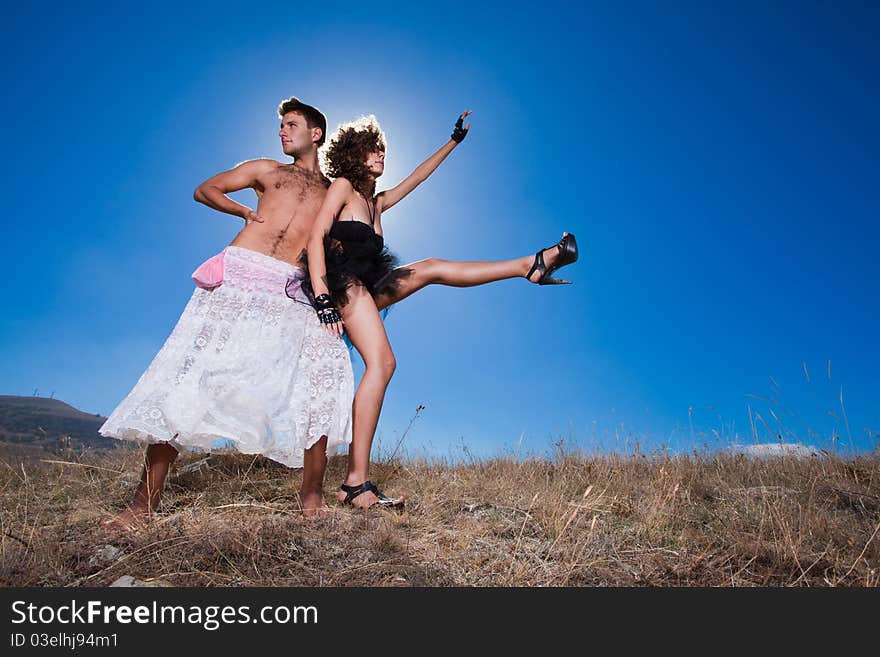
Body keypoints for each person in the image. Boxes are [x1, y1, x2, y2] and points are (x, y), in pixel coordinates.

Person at [301, 111, 578, 510]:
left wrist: (453, 142)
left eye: (383, 150)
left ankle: (530, 266)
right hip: (339, 285)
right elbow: (315, 238)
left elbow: (417, 177)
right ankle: (354, 484)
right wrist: (324, 298)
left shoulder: (376, 202)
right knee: (382, 363)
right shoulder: (342, 187)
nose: (381, 155)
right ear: (354, 154)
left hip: (366, 285)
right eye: (373, 149)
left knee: (430, 267)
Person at [100, 97, 354, 527]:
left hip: (292, 290)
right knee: (191, 375)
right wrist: (241, 210)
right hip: (240, 275)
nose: (282, 131)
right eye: (281, 126)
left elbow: (360, 226)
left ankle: (312, 497)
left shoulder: (334, 192)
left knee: (324, 373)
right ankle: (142, 505)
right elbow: (206, 189)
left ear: (316, 133)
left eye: (291, 124)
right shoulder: (266, 170)